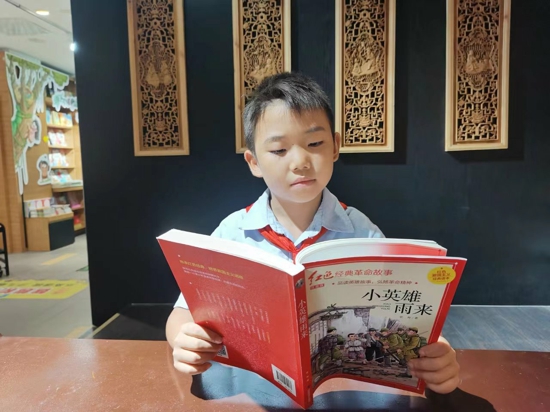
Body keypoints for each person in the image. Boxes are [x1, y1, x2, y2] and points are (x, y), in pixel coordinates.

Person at [165, 71, 461, 394]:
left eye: (315, 143)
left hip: (341, 395)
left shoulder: (363, 233)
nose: (300, 162)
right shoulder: (232, 233)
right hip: (251, 392)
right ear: (253, 162)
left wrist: (437, 357)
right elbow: (182, 313)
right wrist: (184, 339)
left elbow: (403, 318)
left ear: (335, 146)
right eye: (279, 150)